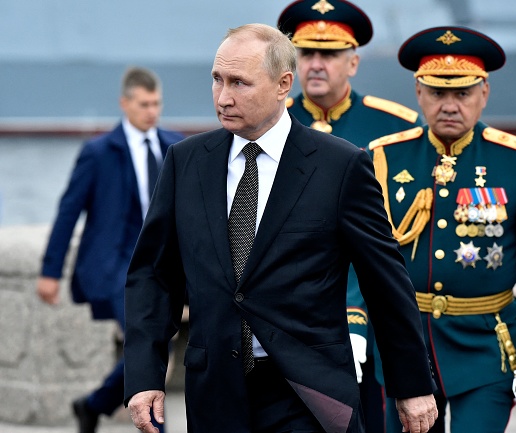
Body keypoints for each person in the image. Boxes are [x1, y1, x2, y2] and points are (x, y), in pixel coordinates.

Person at [124, 23, 437, 433]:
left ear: (282, 84)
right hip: (215, 391)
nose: (223, 97)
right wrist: (145, 376)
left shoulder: (340, 167)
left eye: (239, 83)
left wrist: (411, 385)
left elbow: (386, 282)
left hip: (309, 394)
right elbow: (153, 276)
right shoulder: (186, 163)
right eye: (217, 80)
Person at [367, 26, 516, 432]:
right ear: (419, 93)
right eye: (438, 93)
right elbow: (364, 254)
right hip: (406, 343)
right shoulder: (385, 157)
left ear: (484, 93)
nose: (450, 105)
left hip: (486, 345)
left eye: (462, 93)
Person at [277, 2, 423, 429]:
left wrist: (357, 315)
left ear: (353, 62)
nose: (316, 64)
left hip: (371, 324)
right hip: (291, 318)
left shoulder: (395, 129)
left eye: (330, 54)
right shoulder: (271, 124)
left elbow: (386, 240)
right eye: (306, 53)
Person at [37, 66, 184, 433]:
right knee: (148, 341)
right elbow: (68, 211)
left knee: (156, 340)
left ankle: (93, 403)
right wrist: (50, 271)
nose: (152, 111)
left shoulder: (175, 147)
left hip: (161, 267)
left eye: (157, 103)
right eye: (144, 104)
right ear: (125, 103)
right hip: (113, 267)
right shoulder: (98, 152)